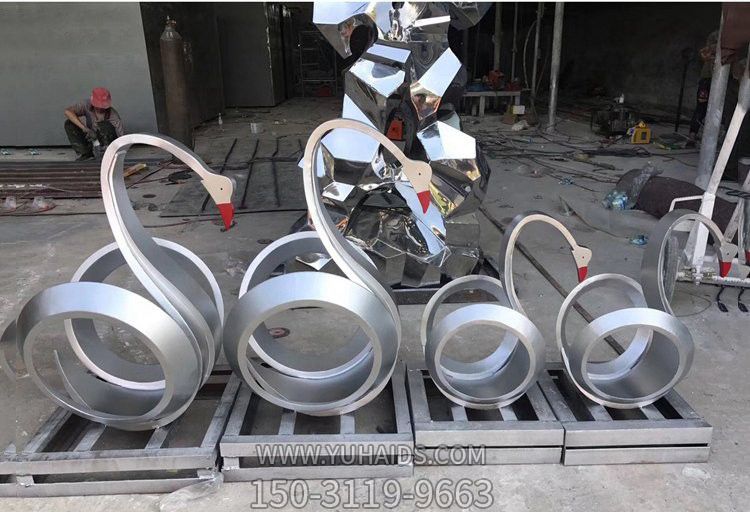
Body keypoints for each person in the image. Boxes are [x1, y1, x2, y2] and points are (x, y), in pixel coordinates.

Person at [64, 87, 124, 161]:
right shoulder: (86, 104)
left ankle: (106, 154)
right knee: (69, 124)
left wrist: (115, 150)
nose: (100, 108)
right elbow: (67, 112)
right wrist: (85, 129)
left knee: (104, 125)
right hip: (90, 136)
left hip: (106, 143)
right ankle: (86, 154)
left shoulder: (113, 115)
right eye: (98, 106)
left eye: (103, 106)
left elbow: (121, 138)